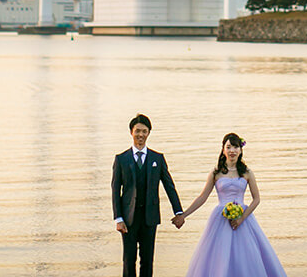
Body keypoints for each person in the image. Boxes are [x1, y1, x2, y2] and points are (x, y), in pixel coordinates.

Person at [178, 133, 287, 277]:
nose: (232, 151)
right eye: (228, 147)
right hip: (220, 219)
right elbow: (202, 197)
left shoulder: (247, 173)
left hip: (244, 219)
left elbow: (256, 199)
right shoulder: (215, 172)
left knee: (246, 257)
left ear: (240, 150)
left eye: (235, 147)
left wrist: (242, 218)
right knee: (220, 258)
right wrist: (184, 214)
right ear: (223, 150)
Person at [112, 113, 184, 277]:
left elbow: (169, 186)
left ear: (149, 133)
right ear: (131, 132)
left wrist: (178, 212)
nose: (141, 135)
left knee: (147, 260)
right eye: (137, 131)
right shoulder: (121, 159)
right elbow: (115, 191)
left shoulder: (157, 158)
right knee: (128, 260)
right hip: (128, 219)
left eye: (144, 131)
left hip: (149, 218)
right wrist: (118, 218)